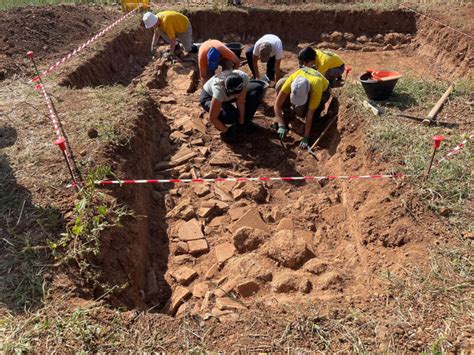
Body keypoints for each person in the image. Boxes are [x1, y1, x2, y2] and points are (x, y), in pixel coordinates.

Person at [274, 61, 330, 148]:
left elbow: (309, 115)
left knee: (301, 112)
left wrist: (306, 136)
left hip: (324, 92)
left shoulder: (316, 87)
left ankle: (318, 109)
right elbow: (277, 105)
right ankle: (288, 114)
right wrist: (281, 124)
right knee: (280, 84)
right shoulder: (292, 80)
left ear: (308, 91)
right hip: (306, 83)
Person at [199, 70, 267, 142]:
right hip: (209, 97)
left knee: (257, 89)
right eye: (235, 94)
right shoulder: (218, 91)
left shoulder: (243, 78)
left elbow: (240, 102)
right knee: (230, 116)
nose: (237, 96)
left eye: (239, 93)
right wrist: (228, 132)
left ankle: (245, 122)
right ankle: (229, 122)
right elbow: (212, 118)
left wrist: (241, 123)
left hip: (226, 95)